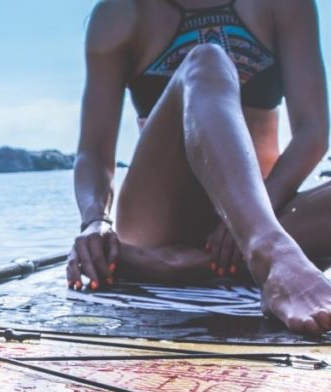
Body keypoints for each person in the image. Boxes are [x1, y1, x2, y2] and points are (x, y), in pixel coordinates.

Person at [68, 0, 331, 334]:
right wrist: (94, 221)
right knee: (207, 60)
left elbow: (312, 132)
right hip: (161, 222)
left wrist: (253, 220)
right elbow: (92, 152)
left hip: (267, 213)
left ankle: (181, 265)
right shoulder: (121, 14)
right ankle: (270, 256)